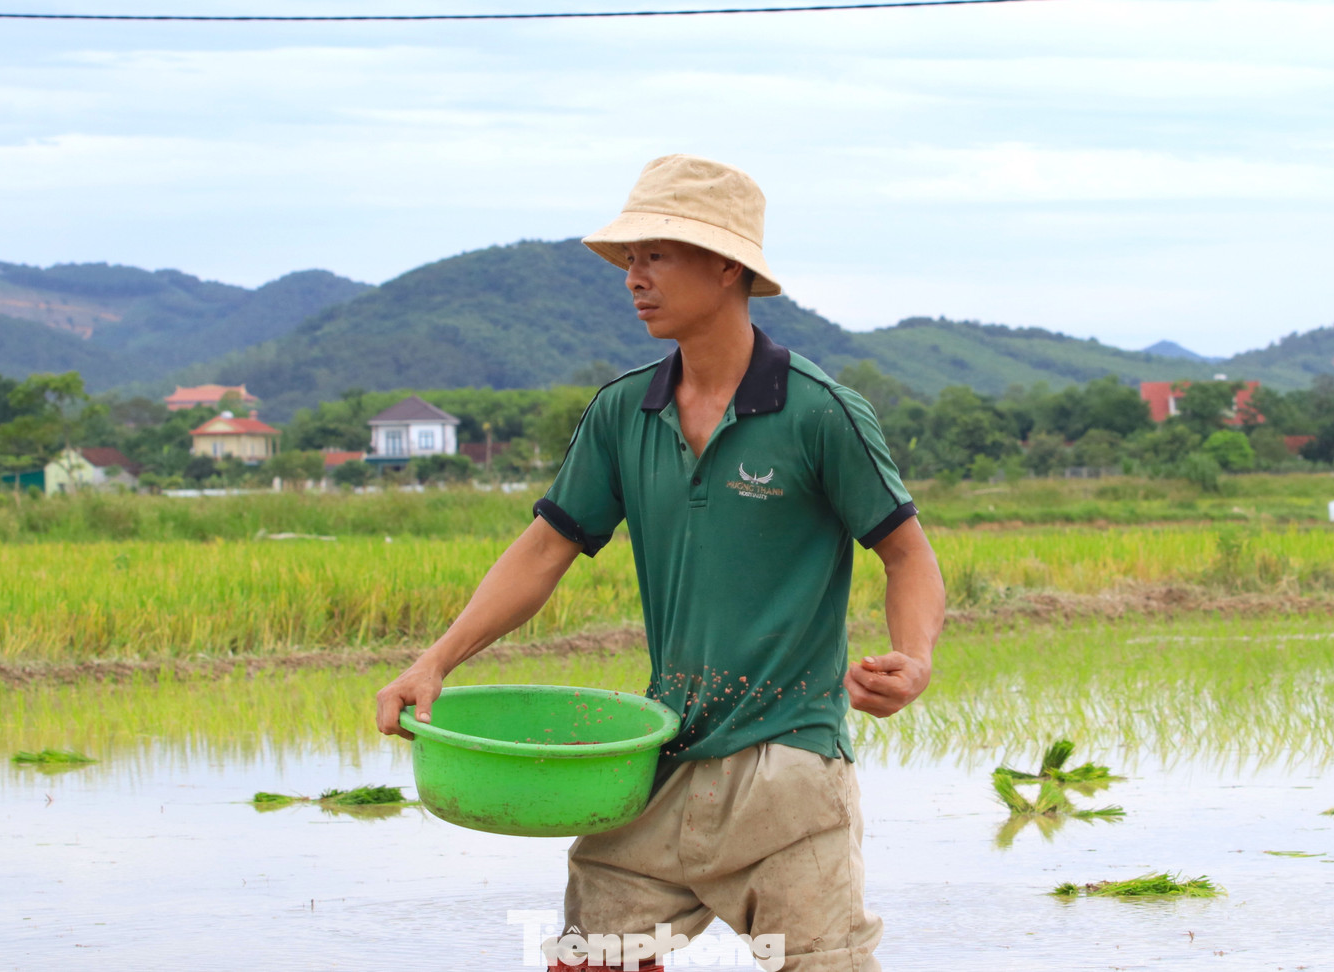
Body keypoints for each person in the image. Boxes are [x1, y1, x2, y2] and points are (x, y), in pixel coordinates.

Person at [376, 154, 945, 972]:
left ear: (726, 267)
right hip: (660, 755)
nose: (635, 278)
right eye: (631, 259)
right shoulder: (622, 413)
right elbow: (544, 549)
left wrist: (915, 660)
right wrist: (432, 664)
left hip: (787, 766)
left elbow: (907, 554)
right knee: (589, 959)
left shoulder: (819, 412)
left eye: (657, 255)